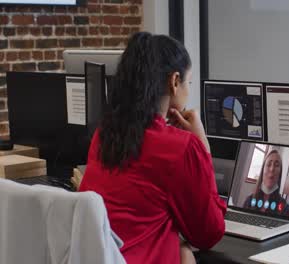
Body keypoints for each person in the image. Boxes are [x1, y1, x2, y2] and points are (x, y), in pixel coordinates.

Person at [79, 32, 226, 264]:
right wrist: (202, 147)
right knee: (185, 251)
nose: (188, 89)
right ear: (174, 81)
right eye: (188, 81)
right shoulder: (180, 147)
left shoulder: (104, 133)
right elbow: (209, 233)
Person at [243, 150, 289, 216]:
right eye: (268, 164)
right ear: (263, 170)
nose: (272, 169)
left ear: (280, 174)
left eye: (277, 165)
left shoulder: (284, 207)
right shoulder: (249, 200)